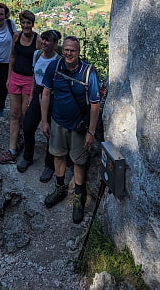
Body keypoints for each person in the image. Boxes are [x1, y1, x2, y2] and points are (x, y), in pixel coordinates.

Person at [40, 36, 100, 223]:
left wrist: (91, 132)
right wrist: (44, 120)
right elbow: (46, 93)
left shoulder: (88, 72)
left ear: (78, 52)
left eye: (72, 50)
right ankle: (59, 187)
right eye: (66, 49)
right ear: (62, 49)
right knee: (58, 155)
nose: (68, 53)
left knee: (78, 161)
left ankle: (78, 197)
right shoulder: (55, 67)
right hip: (58, 121)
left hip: (78, 126)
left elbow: (95, 105)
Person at [16, 29, 61, 181]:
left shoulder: (58, 61)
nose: (44, 42)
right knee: (28, 126)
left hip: (52, 96)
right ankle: (28, 157)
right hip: (37, 94)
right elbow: (35, 76)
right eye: (43, 39)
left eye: (48, 40)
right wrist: (31, 96)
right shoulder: (36, 55)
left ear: (55, 44)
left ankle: (49, 165)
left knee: (49, 131)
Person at [0, 11, 39, 164]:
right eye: (23, 23)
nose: (26, 26)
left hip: (29, 80)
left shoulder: (38, 40)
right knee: (14, 114)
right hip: (15, 77)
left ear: (32, 24)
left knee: (25, 113)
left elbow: (38, 64)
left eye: (29, 23)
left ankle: (26, 146)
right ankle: (12, 148)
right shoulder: (16, 36)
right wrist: (8, 77)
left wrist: (35, 85)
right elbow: (12, 56)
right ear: (20, 23)